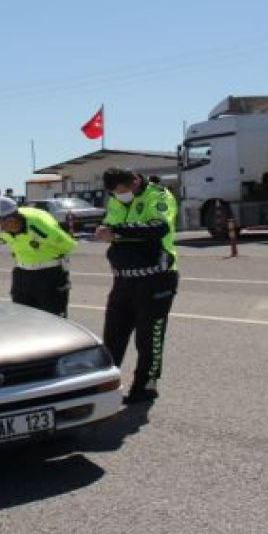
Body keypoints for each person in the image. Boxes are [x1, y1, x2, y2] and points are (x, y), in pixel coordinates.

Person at [94, 166, 178, 405]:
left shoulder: (158, 196)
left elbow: (158, 228)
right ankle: (106, 385)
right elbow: (109, 226)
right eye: (113, 193)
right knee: (113, 335)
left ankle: (145, 386)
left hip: (155, 278)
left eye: (120, 191)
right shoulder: (115, 199)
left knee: (148, 337)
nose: (117, 196)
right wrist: (104, 231)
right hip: (123, 278)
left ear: (133, 182)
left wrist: (117, 231)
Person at [0, 196, 76, 317]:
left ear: (9, 219)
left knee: (53, 320)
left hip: (49, 276)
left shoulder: (41, 225)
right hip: (21, 275)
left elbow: (67, 246)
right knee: (22, 319)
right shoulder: (3, 231)